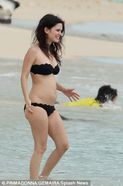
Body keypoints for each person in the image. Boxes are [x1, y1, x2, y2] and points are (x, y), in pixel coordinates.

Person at [20, 14, 80, 180]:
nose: (60, 34)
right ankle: (33, 182)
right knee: (41, 147)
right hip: (36, 105)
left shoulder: (52, 52)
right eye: (57, 30)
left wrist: (64, 90)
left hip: (51, 108)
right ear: (46, 29)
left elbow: (49, 79)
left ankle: (43, 177)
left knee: (63, 145)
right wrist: (27, 100)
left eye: (62, 31)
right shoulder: (34, 50)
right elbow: (24, 76)